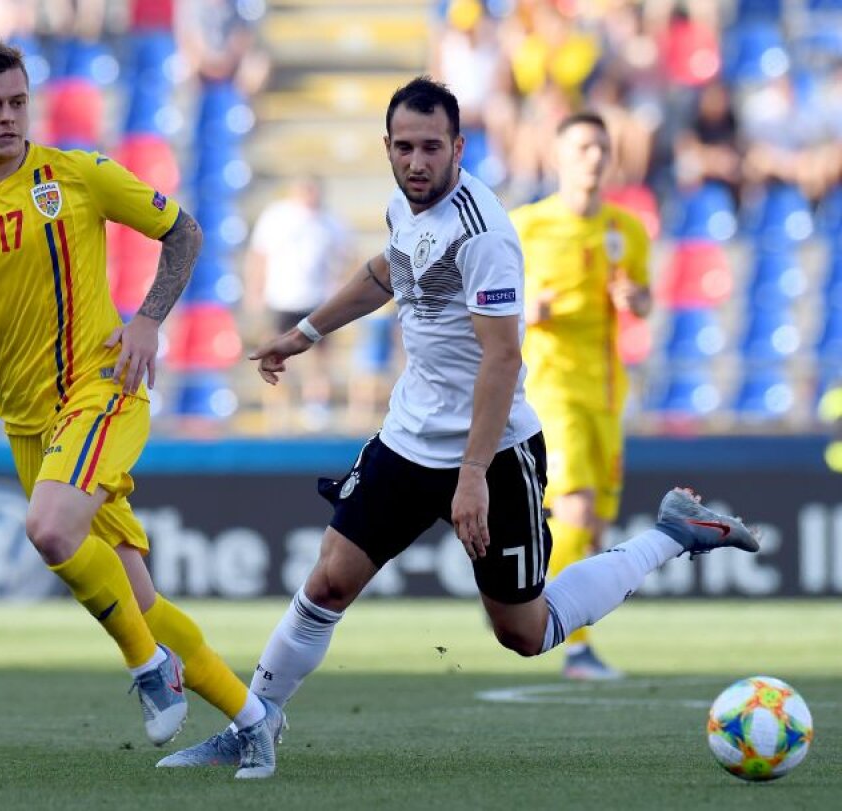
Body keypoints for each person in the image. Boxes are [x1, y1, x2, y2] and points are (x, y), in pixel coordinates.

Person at [157, 77, 759, 770]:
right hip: (408, 440)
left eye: (431, 148)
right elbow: (388, 270)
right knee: (328, 579)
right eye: (404, 147)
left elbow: (504, 358)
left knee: (524, 632)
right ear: (387, 146)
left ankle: (670, 533)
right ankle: (253, 723)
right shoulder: (402, 204)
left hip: (493, 449)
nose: (417, 162)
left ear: (459, 148)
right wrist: (307, 332)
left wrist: (472, 475)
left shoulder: (483, 234)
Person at [0, 41, 281, 779]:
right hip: (27, 421)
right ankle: (255, 720)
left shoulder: (78, 174)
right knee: (139, 597)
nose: (8, 116)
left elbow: (185, 231)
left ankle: (146, 670)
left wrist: (148, 320)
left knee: (48, 526)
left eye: (17, 101)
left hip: (101, 389)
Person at [510, 111, 652, 680]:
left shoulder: (627, 228)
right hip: (551, 387)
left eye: (601, 147)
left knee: (593, 529)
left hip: (607, 391)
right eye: (582, 147)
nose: (593, 157)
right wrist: (526, 311)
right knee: (576, 508)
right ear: (557, 157)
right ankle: (570, 645)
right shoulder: (525, 225)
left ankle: (564, 627)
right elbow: (482, 303)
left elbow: (644, 302)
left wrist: (634, 299)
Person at [244, 175, 349, 430]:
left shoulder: (330, 222)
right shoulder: (276, 217)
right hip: (281, 298)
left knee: (319, 358)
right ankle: (277, 409)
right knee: (273, 353)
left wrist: (338, 287)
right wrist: (254, 290)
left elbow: (347, 257)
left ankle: (316, 407)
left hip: (316, 299)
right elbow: (259, 255)